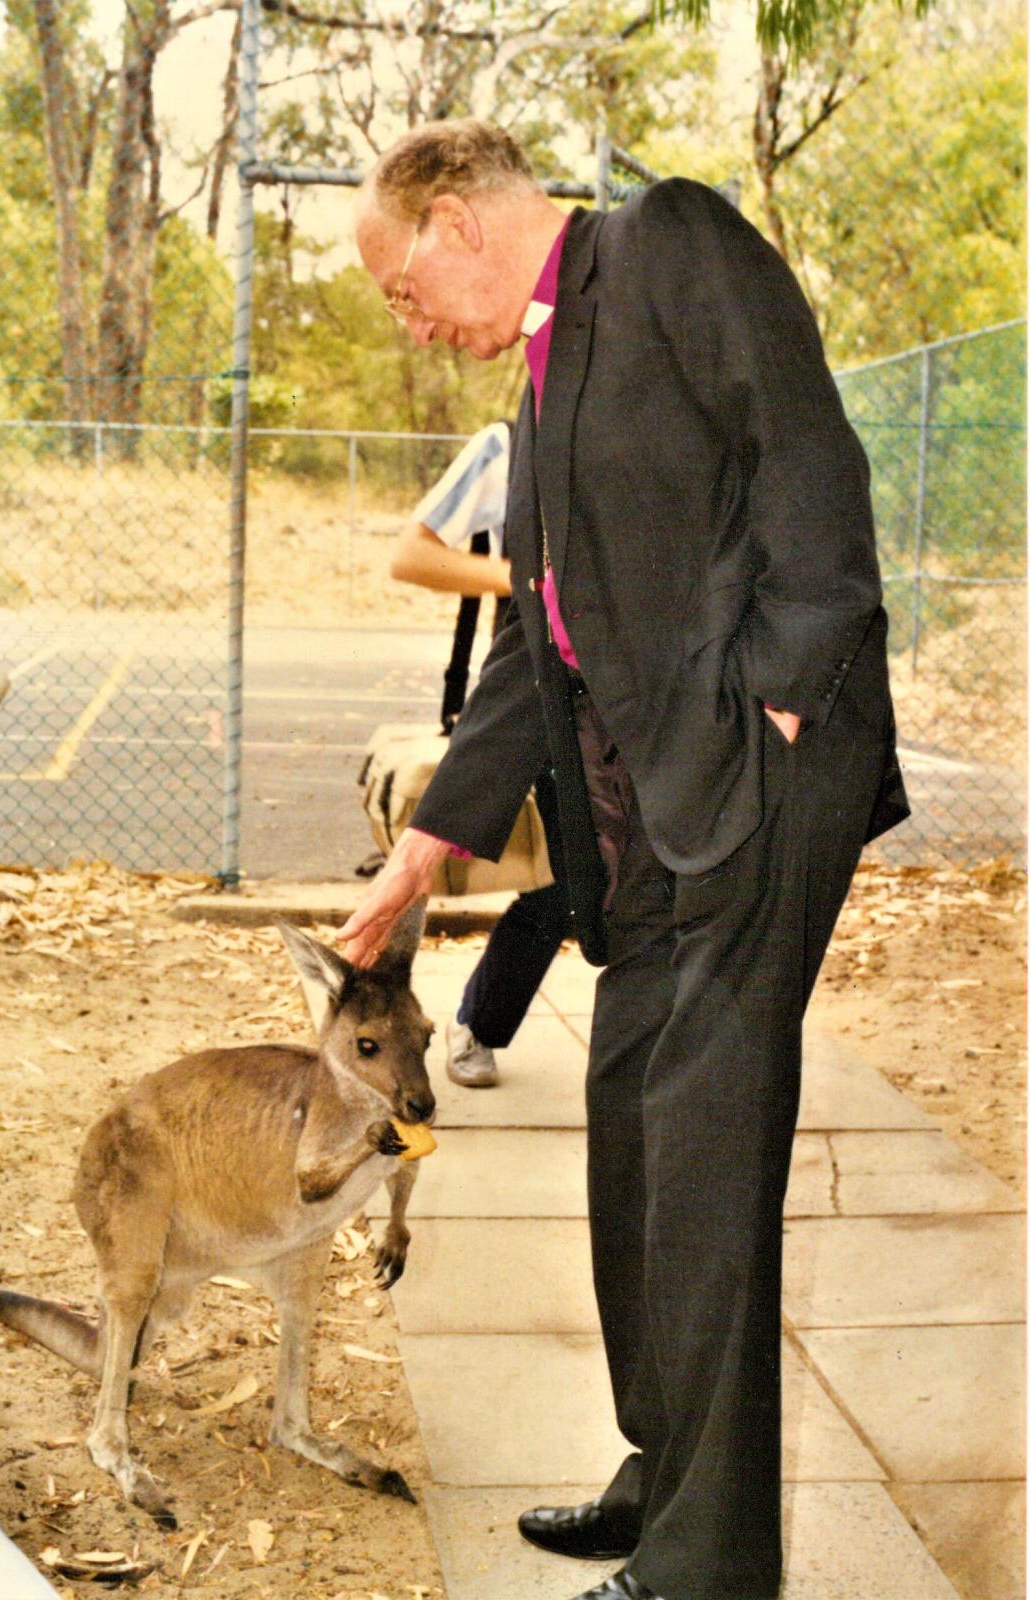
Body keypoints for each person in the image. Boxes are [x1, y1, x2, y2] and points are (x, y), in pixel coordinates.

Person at [344, 119, 910, 1600]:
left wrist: (781, 699)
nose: (412, 321)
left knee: (711, 1157)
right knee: (636, 1128)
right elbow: (540, 642)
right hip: (644, 819)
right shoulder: (538, 382)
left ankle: (712, 1568)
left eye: (404, 287)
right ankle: (667, 1473)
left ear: (457, 219)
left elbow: (808, 461)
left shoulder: (666, 244)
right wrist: (425, 849)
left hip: (761, 777)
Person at [390, 421, 572, 1087]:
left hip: (639, 700)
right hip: (535, 692)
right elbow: (412, 554)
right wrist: (535, 584)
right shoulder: (506, 444)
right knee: (565, 888)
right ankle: (480, 1023)